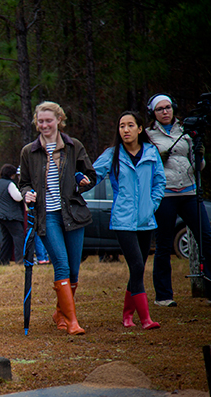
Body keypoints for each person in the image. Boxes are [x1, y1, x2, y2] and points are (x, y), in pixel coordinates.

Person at [19, 101, 96, 335]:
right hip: (48, 216)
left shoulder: (74, 146)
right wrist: (27, 194)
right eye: (40, 121)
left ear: (59, 121)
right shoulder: (28, 151)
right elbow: (23, 184)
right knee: (61, 264)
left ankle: (60, 313)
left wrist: (84, 181)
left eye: (48, 120)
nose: (44, 125)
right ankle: (73, 321)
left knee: (74, 269)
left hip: (73, 214)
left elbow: (90, 175)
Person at [145, 94, 211, 305]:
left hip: (190, 192)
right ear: (153, 113)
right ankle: (163, 296)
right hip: (165, 195)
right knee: (164, 245)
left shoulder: (186, 132)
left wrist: (200, 155)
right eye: (160, 109)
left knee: (206, 239)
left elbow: (198, 167)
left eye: (168, 107)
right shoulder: (148, 135)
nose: (165, 112)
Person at [93, 111, 166, 329]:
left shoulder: (152, 152)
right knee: (135, 265)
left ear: (140, 128)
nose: (125, 130)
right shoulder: (112, 154)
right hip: (123, 220)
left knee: (138, 267)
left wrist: (152, 205)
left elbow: (160, 182)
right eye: (122, 126)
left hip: (146, 220)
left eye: (130, 125)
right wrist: (79, 181)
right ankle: (145, 319)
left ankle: (127, 316)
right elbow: (93, 174)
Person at [0, 163, 25, 267]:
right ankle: (20, 260)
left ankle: (2, 261)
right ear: (11, 174)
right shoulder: (10, 184)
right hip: (10, 215)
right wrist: (24, 192)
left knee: (7, 238)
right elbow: (18, 197)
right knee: (18, 236)